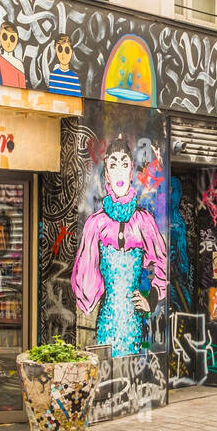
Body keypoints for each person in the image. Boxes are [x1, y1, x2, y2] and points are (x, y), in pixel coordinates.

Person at [72, 137, 168, 357]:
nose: (118, 171)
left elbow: (160, 261)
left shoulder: (144, 221)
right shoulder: (96, 223)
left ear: (131, 171)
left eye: (124, 164)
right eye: (113, 165)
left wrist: (151, 299)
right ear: (106, 174)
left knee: (132, 373)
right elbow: (85, 275)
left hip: (134, 321)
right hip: (107, 319)